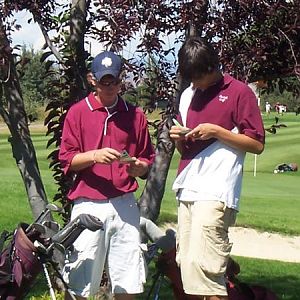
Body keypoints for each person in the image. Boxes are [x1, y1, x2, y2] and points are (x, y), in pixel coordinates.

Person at [169, 37, 265, 300]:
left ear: (213, 66)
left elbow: (256, 144)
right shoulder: (188, 95)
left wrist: (217, 132)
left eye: (200, 77)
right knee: (187, 267)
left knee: (208, 268)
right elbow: (185, 151)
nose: (196, 83)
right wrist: (179, 138)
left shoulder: (239, 92)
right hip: (187, 187)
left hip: (216, 191)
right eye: (192, 78)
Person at [59, 50, 155, 300]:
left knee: (128, 281)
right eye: (104, 81)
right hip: (88, 204)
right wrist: (93, 156)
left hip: (124, 204)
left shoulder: (135, 115)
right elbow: (67, 160)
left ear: (121, 79)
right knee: (79, 282)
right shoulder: (78, 112)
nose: (110, 87)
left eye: (114, 81)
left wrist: (140, 168)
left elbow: (147, 160)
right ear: (93, 79)